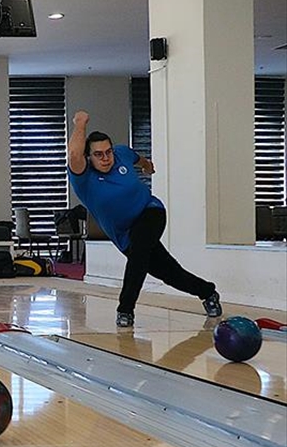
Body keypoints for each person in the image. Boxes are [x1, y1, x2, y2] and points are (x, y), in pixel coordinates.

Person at [67, 110, 222, 327]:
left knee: (139, 254)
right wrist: (80, 123)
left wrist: (147, 166)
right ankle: (208, 292)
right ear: (88, 157)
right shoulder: (83, 178)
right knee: (170, 273)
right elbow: (74, 155)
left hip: (150, 211)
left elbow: (138, 159)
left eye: (108, 152)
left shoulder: (122, 154)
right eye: (99, 154)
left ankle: (125, 310)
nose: (106, 158)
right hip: (124, 234)